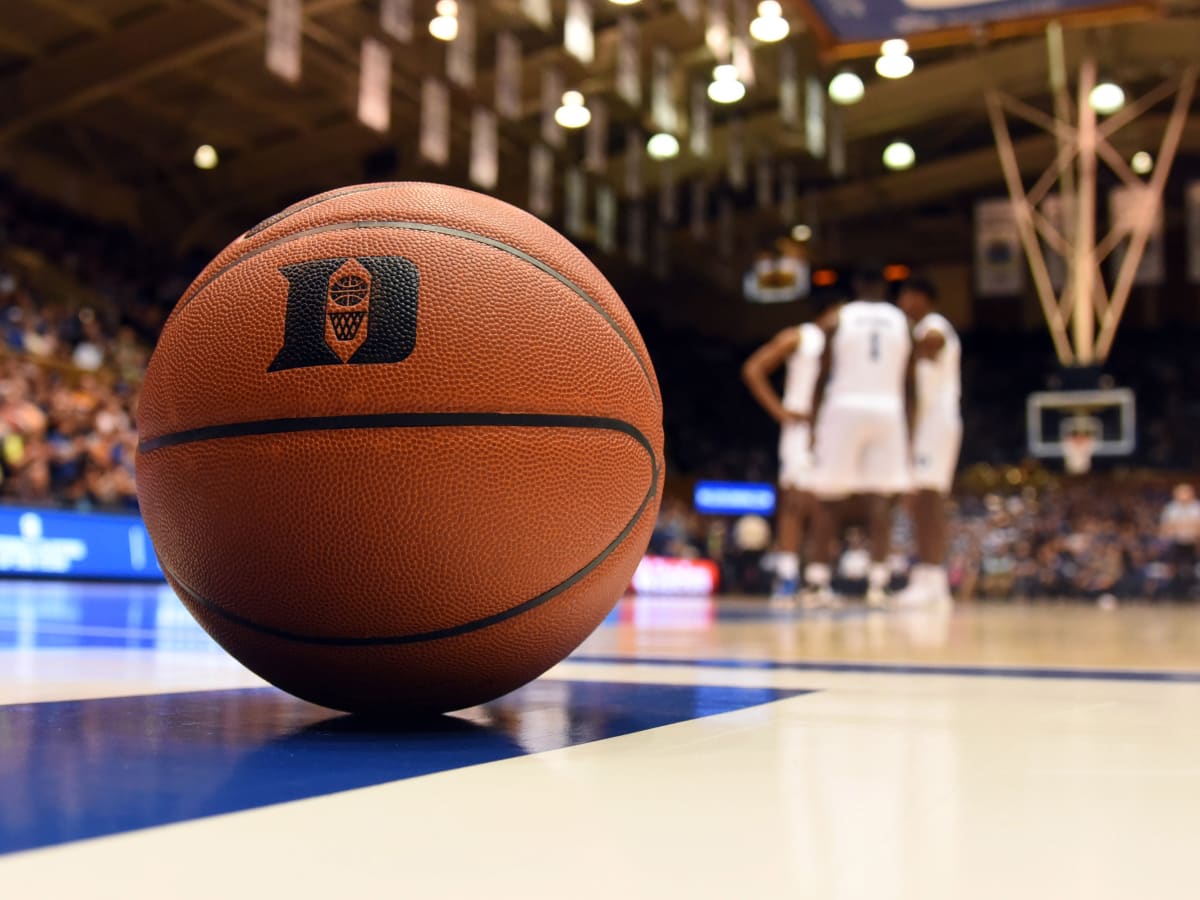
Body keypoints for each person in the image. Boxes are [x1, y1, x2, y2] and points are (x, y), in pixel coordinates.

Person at [804, 268, 913, 608]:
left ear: (856, 285)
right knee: (881, 501)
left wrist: (813, 420)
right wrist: (909, 425)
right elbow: (910, 380)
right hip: (888, 409)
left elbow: (819, 369)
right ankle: (878, 585)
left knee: (828, 499)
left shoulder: (839, 317)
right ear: (884, 287)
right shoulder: (902, 321)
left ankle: (817, 582)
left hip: (845, 407)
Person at [741, 299, 840, 603]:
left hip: (833, 428)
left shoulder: (845, 343)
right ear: (827, 310)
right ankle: (786, 576)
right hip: (800, 428)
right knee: (794, 502)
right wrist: (781, 412)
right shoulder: (800, 337)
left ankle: (818, 579)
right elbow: (754, 369)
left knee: (826, 505)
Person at [894, 277, 961, 608]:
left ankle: (933, 578)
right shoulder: (921, 330)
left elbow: (933, 343)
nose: (902, 303)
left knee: (929, 499)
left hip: (936, 423)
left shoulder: (934, 326)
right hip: (925, 425)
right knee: (920, 502)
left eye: (907, 296)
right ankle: (928, 577)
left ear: (921, 297)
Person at [1161, 483, 1200, 598]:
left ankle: (1193, 592)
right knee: (1172, 569)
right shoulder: (1170, 508)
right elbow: (1166, 528)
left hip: (1195, 543)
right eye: (1181, 493)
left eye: (1186, 492)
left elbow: (1197, 528)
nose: (1183, 495)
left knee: (1193, 570)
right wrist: (1188, 525)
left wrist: (1179, 525)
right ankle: (1174, 592)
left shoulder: (1197, 507)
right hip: (1175, 543)